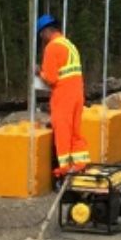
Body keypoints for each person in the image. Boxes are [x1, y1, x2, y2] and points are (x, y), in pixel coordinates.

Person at [36, 15, 90, 179]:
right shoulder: (68, 43)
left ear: (46, 31)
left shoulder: (52, 47)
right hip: (77, 93)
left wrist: (39, 72)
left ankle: (64, 169)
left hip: (63, 94)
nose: (41, 38)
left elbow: (51, 78)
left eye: (41, 34)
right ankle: (80, 163)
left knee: (62, 131)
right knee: (75, 130)